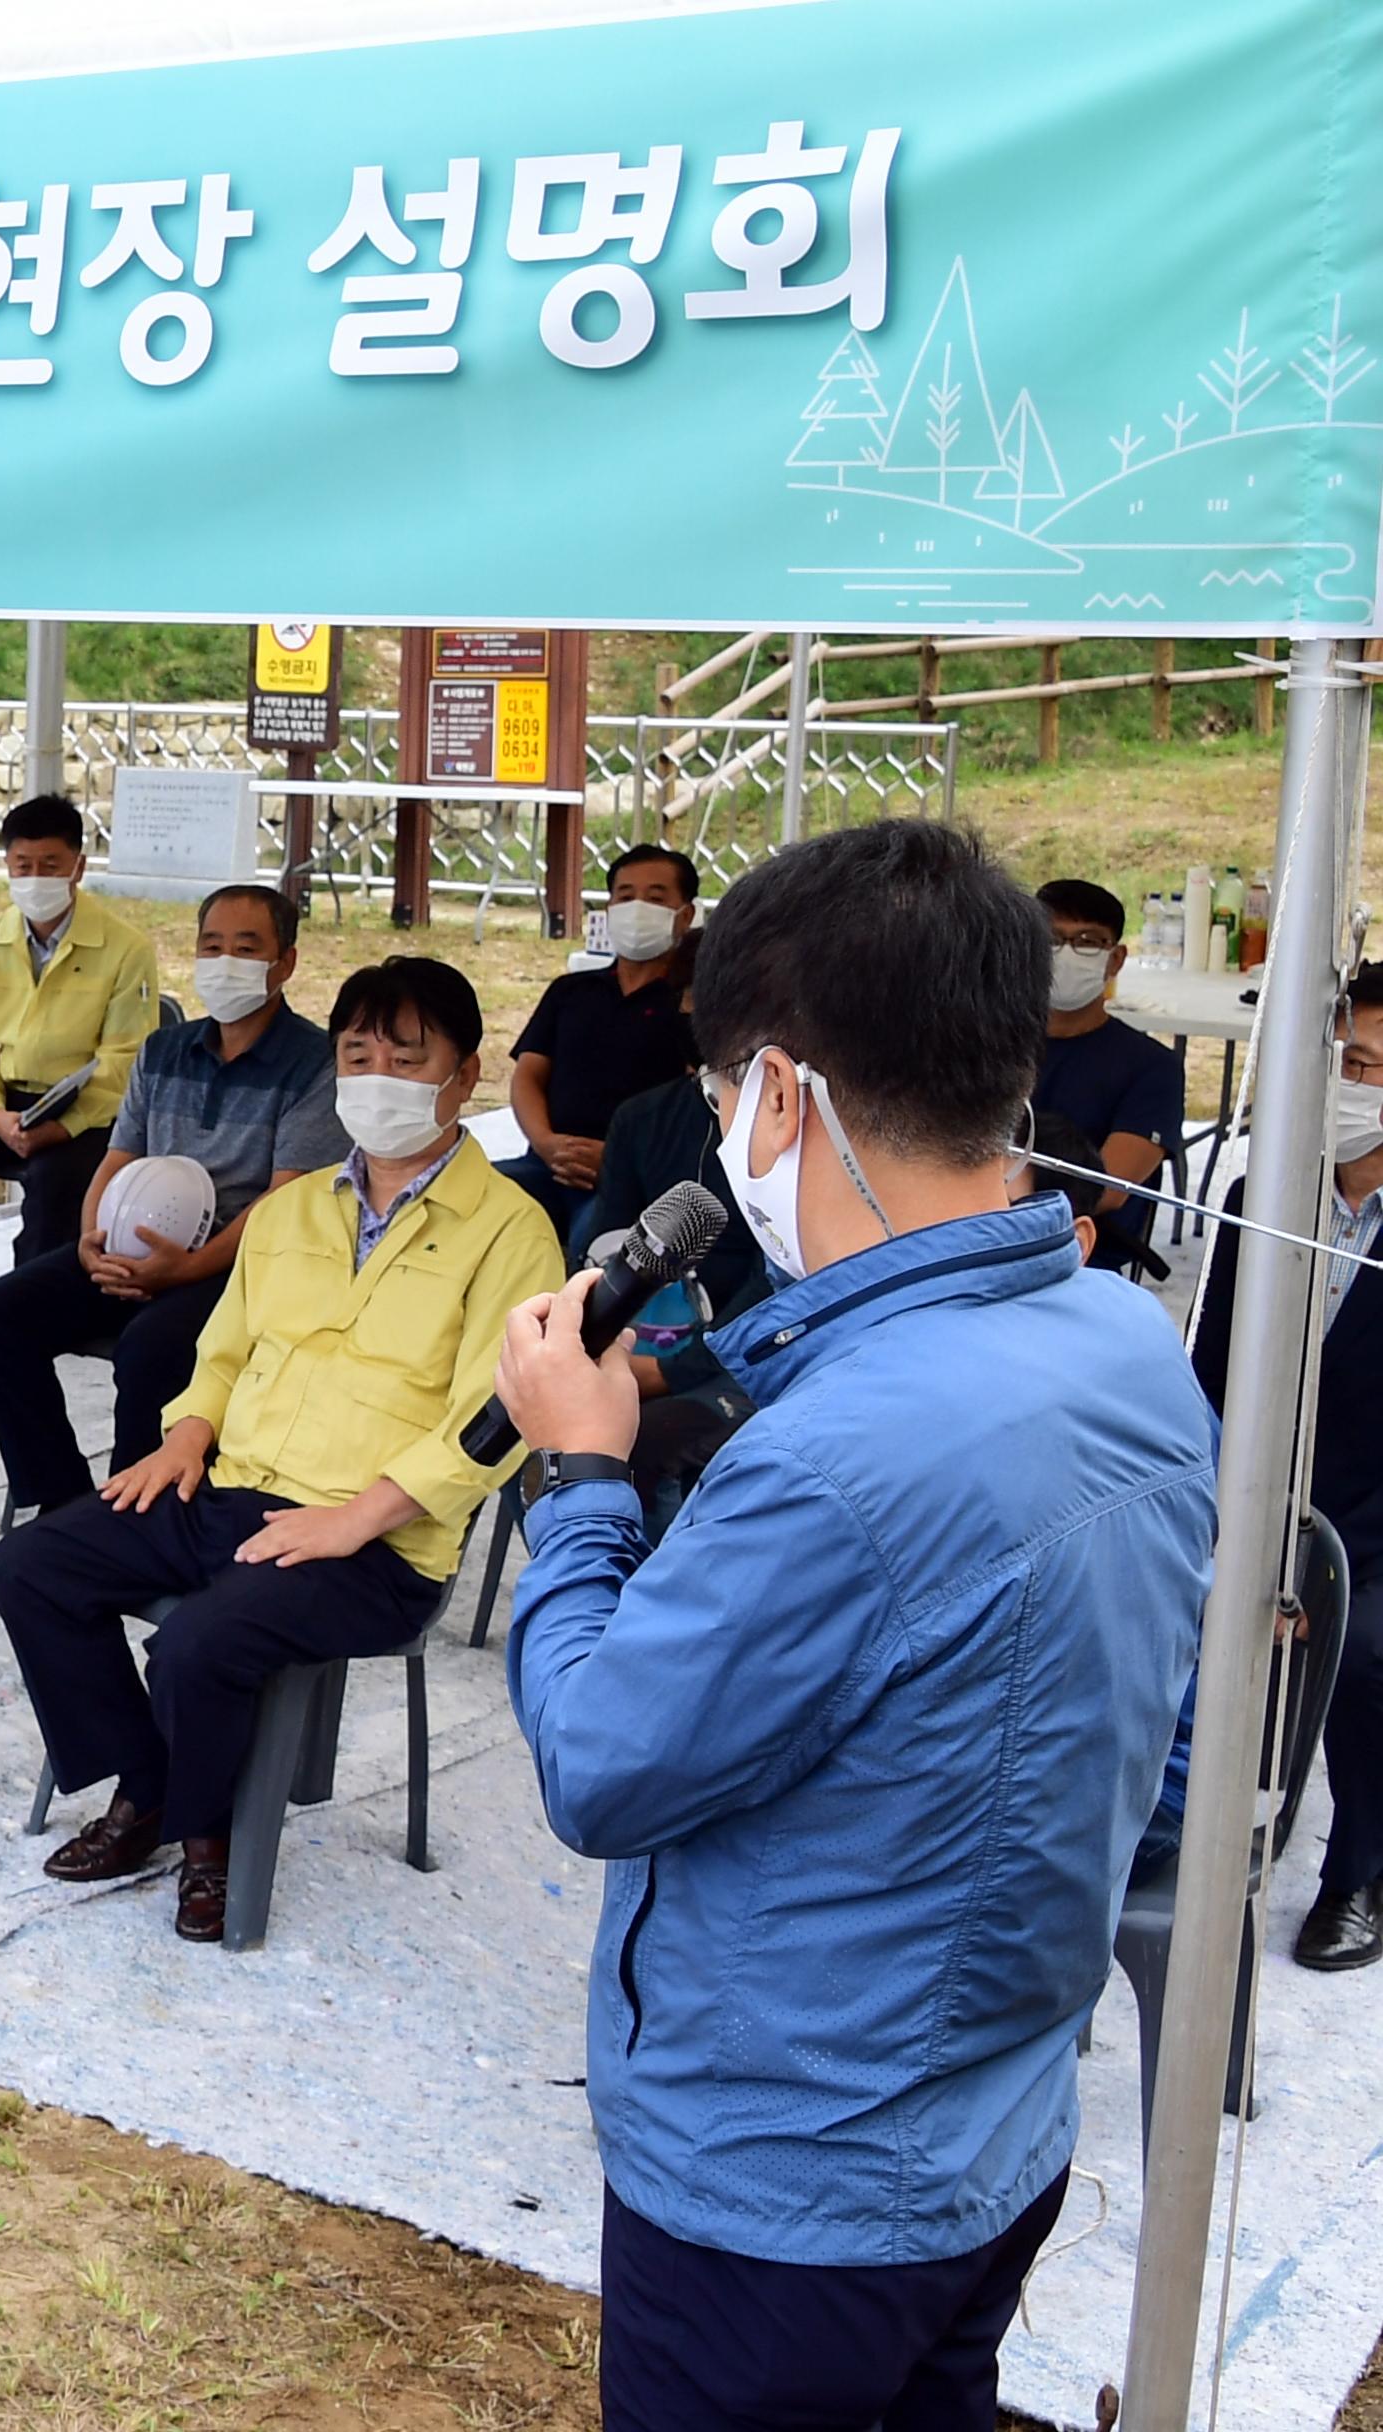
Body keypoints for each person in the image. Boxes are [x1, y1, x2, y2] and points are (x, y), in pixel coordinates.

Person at [493, 819, 1214, 2432]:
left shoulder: (838, 1457)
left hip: (787, 2169)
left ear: (769, 1093)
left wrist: (581, 1469)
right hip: (999, 2107)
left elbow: (604, 1767)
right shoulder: (1119, 1334)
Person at [0, 957, 559, 1936]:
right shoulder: (290, 1212)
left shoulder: (511, 1230)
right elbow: (222, 1349)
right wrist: (190, 1434)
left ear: (465, 1075)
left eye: (407, 1055)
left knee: (203, 1640)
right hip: (232, 1493)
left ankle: (203, 1839)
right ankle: (154, 1781)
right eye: (358, 1053)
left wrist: (357, 1518)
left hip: (379, 1542)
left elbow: (493, 1418)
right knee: (34, 1562)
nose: (378, 1074)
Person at [0, 881, 344, 1521]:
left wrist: (186, 1268)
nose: (225, 961)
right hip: (130, 1246)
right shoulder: (165, 1049)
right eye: (211, 945)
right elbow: (119, 1157)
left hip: (235, 1266)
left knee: (150, 1352)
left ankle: (133, 1519)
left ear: (285, 963)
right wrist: (92, 1241)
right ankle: (61, 1503)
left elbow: (283, 1201)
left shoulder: (315, 1063)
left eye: (246, 948)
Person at [1186, 961, 1383, 1970]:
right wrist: (1240, 1530)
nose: (1355, 1084)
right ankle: (1170, 1829)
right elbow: (1214, 1369)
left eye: (1377, 1069)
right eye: (1346, 1060)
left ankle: (1358, 1870)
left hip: (1375, 1518)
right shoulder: (1269, 1192)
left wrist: (1323, 1575)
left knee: (1362, 1650)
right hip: (1271, 1494)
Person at [0, 792, 159, 1321]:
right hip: (1, 1105)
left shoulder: (125, 948)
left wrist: (64, 1125)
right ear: (6, 866)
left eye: (50, 865)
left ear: (79, 866)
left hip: (85, 1113)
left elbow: (125, 1058)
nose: (36, 878)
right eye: (22, 865)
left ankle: (35, 1310)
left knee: (56, 1181)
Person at [577, 944, 768, 1528]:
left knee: (645, 1445)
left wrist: (676, 1371)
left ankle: (643, 1604)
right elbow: (614, 1249)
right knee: (549, 1436)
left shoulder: (791, 1127)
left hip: (751, 1355)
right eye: (695, 997)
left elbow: (784, 1272)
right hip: (646, 1345)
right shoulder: (642, 1119)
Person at [501, 843, 701, 1240]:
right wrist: (545, 1143)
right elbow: (528, 1076)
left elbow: (695, 1104)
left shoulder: (692, 1005)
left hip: (637, 1178)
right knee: (480, 1203)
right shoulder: (571, 992)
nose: (637, 906)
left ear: (686, 915)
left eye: (656, 897)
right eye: (625, 896)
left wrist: (618, 1158)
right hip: (546, 1164)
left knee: (592, 1244)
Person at [1032, 877, 1186, 1275]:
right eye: (1051, 939)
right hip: (971, 1248)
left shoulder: (1151, 1067)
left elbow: (1105, 1189)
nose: (1066, 953)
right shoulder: (985, 1046)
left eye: (1087, 941)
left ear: (1116, 959)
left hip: (1081, 1264)